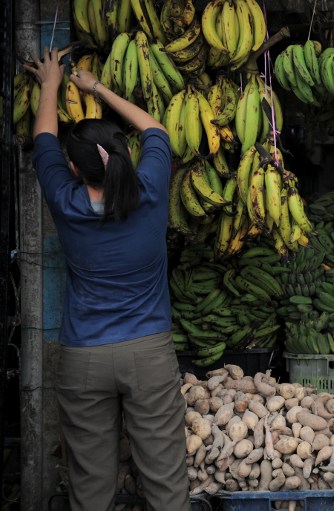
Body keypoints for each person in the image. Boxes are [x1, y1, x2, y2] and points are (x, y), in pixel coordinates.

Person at [24, 48, 190, 511]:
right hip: (148, 355)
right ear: (122, 153)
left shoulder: (65, 201)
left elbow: (42, 138)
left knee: (90, 487)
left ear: (75, 169)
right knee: (166, 484)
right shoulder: (152, 190)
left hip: (85, 358)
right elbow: (155, 128)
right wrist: (95, 87)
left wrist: (51, 83)